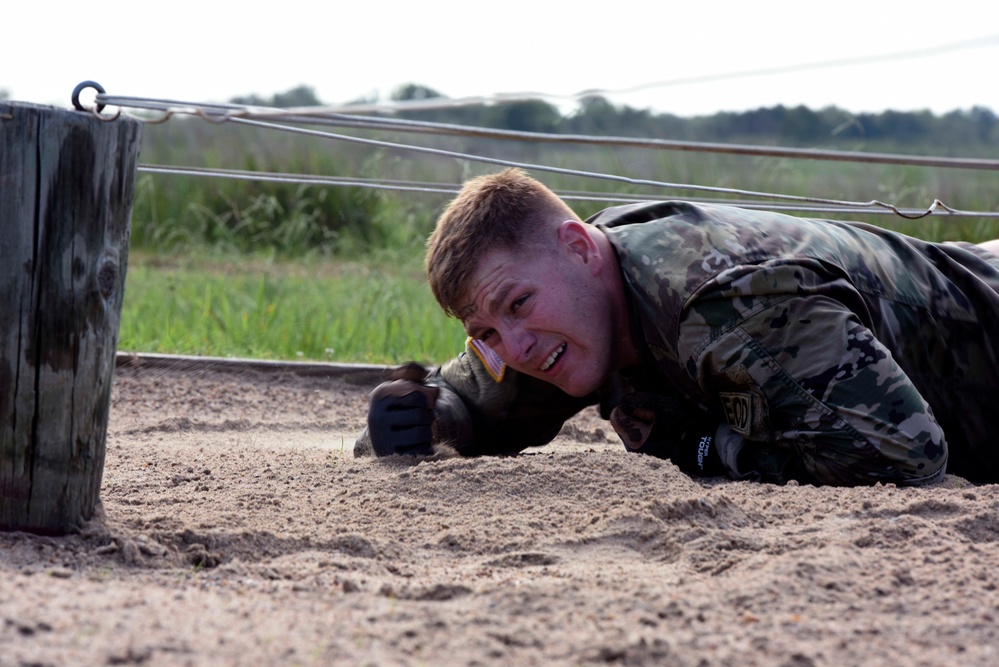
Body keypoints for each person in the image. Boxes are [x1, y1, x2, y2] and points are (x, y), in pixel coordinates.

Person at [355, 169, 999, 486]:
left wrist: (700, 446)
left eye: (517, 305)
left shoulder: (727, 309)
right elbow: (474, 392)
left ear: (580, 246)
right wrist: (421, 413)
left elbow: (902, 454)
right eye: (485, 331)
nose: (514, 347)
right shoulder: (571, 306)